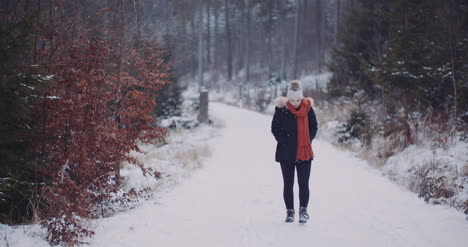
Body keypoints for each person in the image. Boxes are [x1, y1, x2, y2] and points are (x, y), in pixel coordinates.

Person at [271, 80, 318, 223]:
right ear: (288, 98)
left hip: (304, 151)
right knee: (288, 183)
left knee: (303, 184)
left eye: (298, 99)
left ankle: (303, 210)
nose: (295, 102)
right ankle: (290, 212)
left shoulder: (308, 109)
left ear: (301, 97)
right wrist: (286, 141)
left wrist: (307, 140)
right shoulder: (281, 109)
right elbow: (275, 129)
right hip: (286, 153)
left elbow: (314, 126)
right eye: (292, 99)